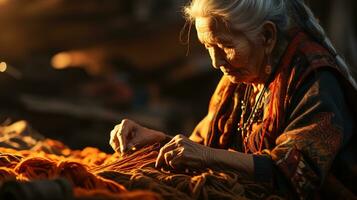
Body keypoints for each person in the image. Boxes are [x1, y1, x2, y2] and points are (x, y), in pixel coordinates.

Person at [109, 0, 357, 199]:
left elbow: (296, 175)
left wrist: (206, 156)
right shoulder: (241, 76)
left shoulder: (315, 81)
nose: (216, 62)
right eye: (208, 46)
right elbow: (201, 145)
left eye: (224, 46)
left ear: (267, 36)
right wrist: (158, 141)